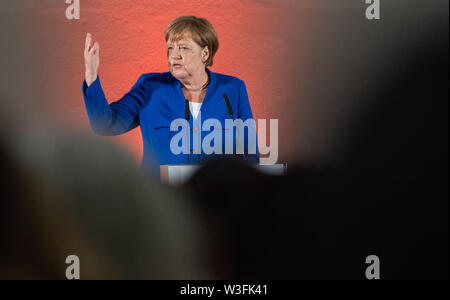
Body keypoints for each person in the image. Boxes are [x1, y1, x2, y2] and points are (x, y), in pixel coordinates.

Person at [83, 16, 259, 175]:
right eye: (170, 48)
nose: (174, 55)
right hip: (162, 199)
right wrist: (91, 77)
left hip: (215, 198)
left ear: (204, 54)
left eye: (183, 48)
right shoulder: (149, 87)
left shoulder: (233, 89)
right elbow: (105, 125)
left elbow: (250, 153)